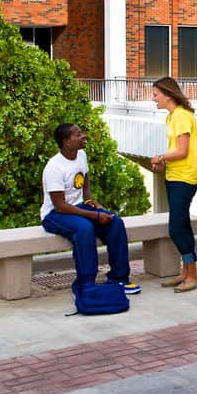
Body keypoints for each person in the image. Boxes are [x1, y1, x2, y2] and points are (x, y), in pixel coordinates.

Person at [41, 123, 141, 295]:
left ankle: (119, 279)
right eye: (78, 134)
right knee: (84, 228)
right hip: (55, 214)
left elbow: (84, 182)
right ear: (66, 141)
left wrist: (91, 201)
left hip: (78, 207)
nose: (83, 136)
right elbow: (60, 205)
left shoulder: (81, 155)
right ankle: (86, 284)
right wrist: (94, 215)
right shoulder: (54, 167)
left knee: (115, 222)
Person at [150, 77, 197, 293]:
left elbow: (182, 151)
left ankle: (193, 275)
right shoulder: (172, 117)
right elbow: (175, 150)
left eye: (155, 94)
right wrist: (164, 163)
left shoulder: (181, 116)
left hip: (185, 177)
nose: (153, 99)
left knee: (176, 227)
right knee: (182, 225)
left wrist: (160, 157)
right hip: (174, 175)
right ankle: (186, 272)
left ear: (168, 95)